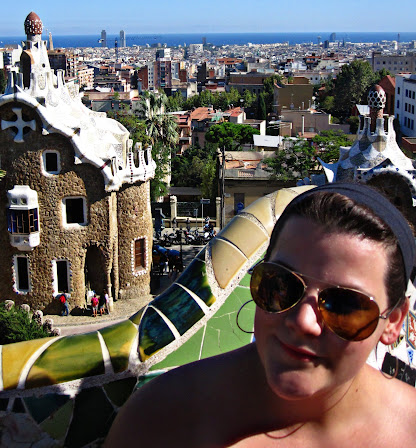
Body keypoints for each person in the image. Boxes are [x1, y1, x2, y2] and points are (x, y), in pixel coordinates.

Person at [105, 183, 416, 447]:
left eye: (344, 305)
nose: (303, 321)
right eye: (280, 285)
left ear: (394, 321)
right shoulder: (164, 419)